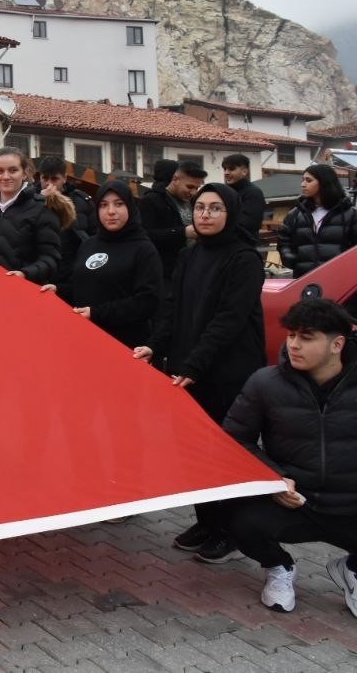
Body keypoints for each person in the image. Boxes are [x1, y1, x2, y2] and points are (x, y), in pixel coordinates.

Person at [134, 182, 266, 562]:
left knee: (225, 449)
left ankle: (232, 529)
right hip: (189, 370)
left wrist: (194, 363)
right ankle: (207, 520)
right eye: (200, 208)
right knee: (194, 449)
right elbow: (171, 308)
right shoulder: (191, 256)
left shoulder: (244, 259)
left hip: (227, 371)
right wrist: (156, 346)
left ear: (232, 213)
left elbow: (229, 320)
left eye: (215, 208)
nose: (205, 215)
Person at [220, 299, 357, 616]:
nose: (294, 345)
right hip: (294, 500)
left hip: (349, 501)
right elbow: (233, 439)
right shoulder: (265, 382)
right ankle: (279, 567)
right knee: (236, 519)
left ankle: (351, 568)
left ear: (337, 344)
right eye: (291, 335)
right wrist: (273, 479)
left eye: (306, 338)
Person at [41, 180, 163, 348]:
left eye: (119, 204)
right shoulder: (88, 245)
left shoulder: (143, 248)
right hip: (85, 338)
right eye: (104, 205)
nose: (111, 211)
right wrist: (58, 290)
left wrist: (96, 313)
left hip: (124, 343)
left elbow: (147, 301)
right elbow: (82, 286)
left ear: (130, 207)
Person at [0, 147, 61, 283]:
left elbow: (51, 259)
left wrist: (25, 274)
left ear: (24, 173)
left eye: (13, 170)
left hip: (24, 291)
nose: (5, 176)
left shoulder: (42, 208)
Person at [278, 164, 357, 278]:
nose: (303, 184)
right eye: (303, 180)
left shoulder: (350, 215)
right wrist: (294, 261)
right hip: (304, 279)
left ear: (324, 182)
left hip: (340, 280)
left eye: (309, 180)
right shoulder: (295, 214)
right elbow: (283, 242)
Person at [140, 159, 205, 282]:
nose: (193, 192)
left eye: (197, 188)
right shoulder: (151, 200)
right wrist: (183, 232)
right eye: (190, 187)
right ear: (175, 180)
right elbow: (145, 236)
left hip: (192, 269)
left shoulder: (193, 201)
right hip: (166, 273)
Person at [36, 156, 96, 285]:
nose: (49, 184)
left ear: (64, 178)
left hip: (72, 274)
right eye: (45, 178)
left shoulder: (82, 201)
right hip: (40, 271)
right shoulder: (30, 199)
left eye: (54, 179)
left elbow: (94, 235)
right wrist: (41, 201)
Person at [222, 153, 264, 238]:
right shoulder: (223, 191)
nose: (226, 172)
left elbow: (248, 223)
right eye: (225, 169)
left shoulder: (253, 193)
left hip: (242, 245)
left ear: (244, 171)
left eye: (231, 169)